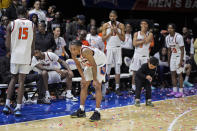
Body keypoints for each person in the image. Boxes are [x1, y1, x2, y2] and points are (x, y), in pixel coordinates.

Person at [3, 6, 35, 116]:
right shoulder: (32, 24)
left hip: (15, 55)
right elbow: (33, 43)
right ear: (26, 13)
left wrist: (11, 51)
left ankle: (7, 105)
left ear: (17, 13)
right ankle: (18, 107)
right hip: (26, 55)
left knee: (13, 78)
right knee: (21, 81)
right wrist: (31, 57)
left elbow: (7, 44)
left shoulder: (11, 24)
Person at [70, 40, 107, 121]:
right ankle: (81, 110)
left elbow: (94, 65)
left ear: (80, 47)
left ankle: (97, 112)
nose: (72, 51)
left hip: (99, 63)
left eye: (74, 49)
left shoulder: (85, 51)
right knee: (83, 85)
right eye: (71, 49)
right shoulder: (73, 54)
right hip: (90, 64)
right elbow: (78, 65)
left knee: (97, 86)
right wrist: (83, 77)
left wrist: (94, 80)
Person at [102, 10, 125, 96]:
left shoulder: (121, 25)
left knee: (117, 68)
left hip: (118, 48)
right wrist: (110, 33)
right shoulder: (105, 25)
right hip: (110, 48)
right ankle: (107, 87)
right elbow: (103, 39)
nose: (112, 17)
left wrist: (117, 31)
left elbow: (123, 39)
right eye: (111, 16)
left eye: (113, 16)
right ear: (109, 17)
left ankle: (117, 88)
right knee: (108, 68)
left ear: (116, 17)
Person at [129, 19, 153, 93]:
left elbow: (147, 41)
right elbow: (134, 44)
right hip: (137, 55)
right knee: (135, 73)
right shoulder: (136, 33)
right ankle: (133, 88)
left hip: (145, 56)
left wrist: (138, 41)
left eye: (145, 24)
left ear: (147, 25)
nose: (143, 25)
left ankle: (144, 87)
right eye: (142, 23)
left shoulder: (150, 34)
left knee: (145, 73)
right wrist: (142, 41)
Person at [166, 23, 185, 98]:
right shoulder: (167, 38)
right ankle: (174, 90)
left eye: (171, 28)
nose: (169, 29)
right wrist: (168, 59)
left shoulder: (179, 37)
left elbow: (182, 50)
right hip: (173, 56)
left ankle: (180, 92)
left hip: (180, 55)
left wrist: (181, 61)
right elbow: (168, 50)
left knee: (179, 74)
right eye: (168, 28)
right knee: (172, 73)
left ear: (174, 29)